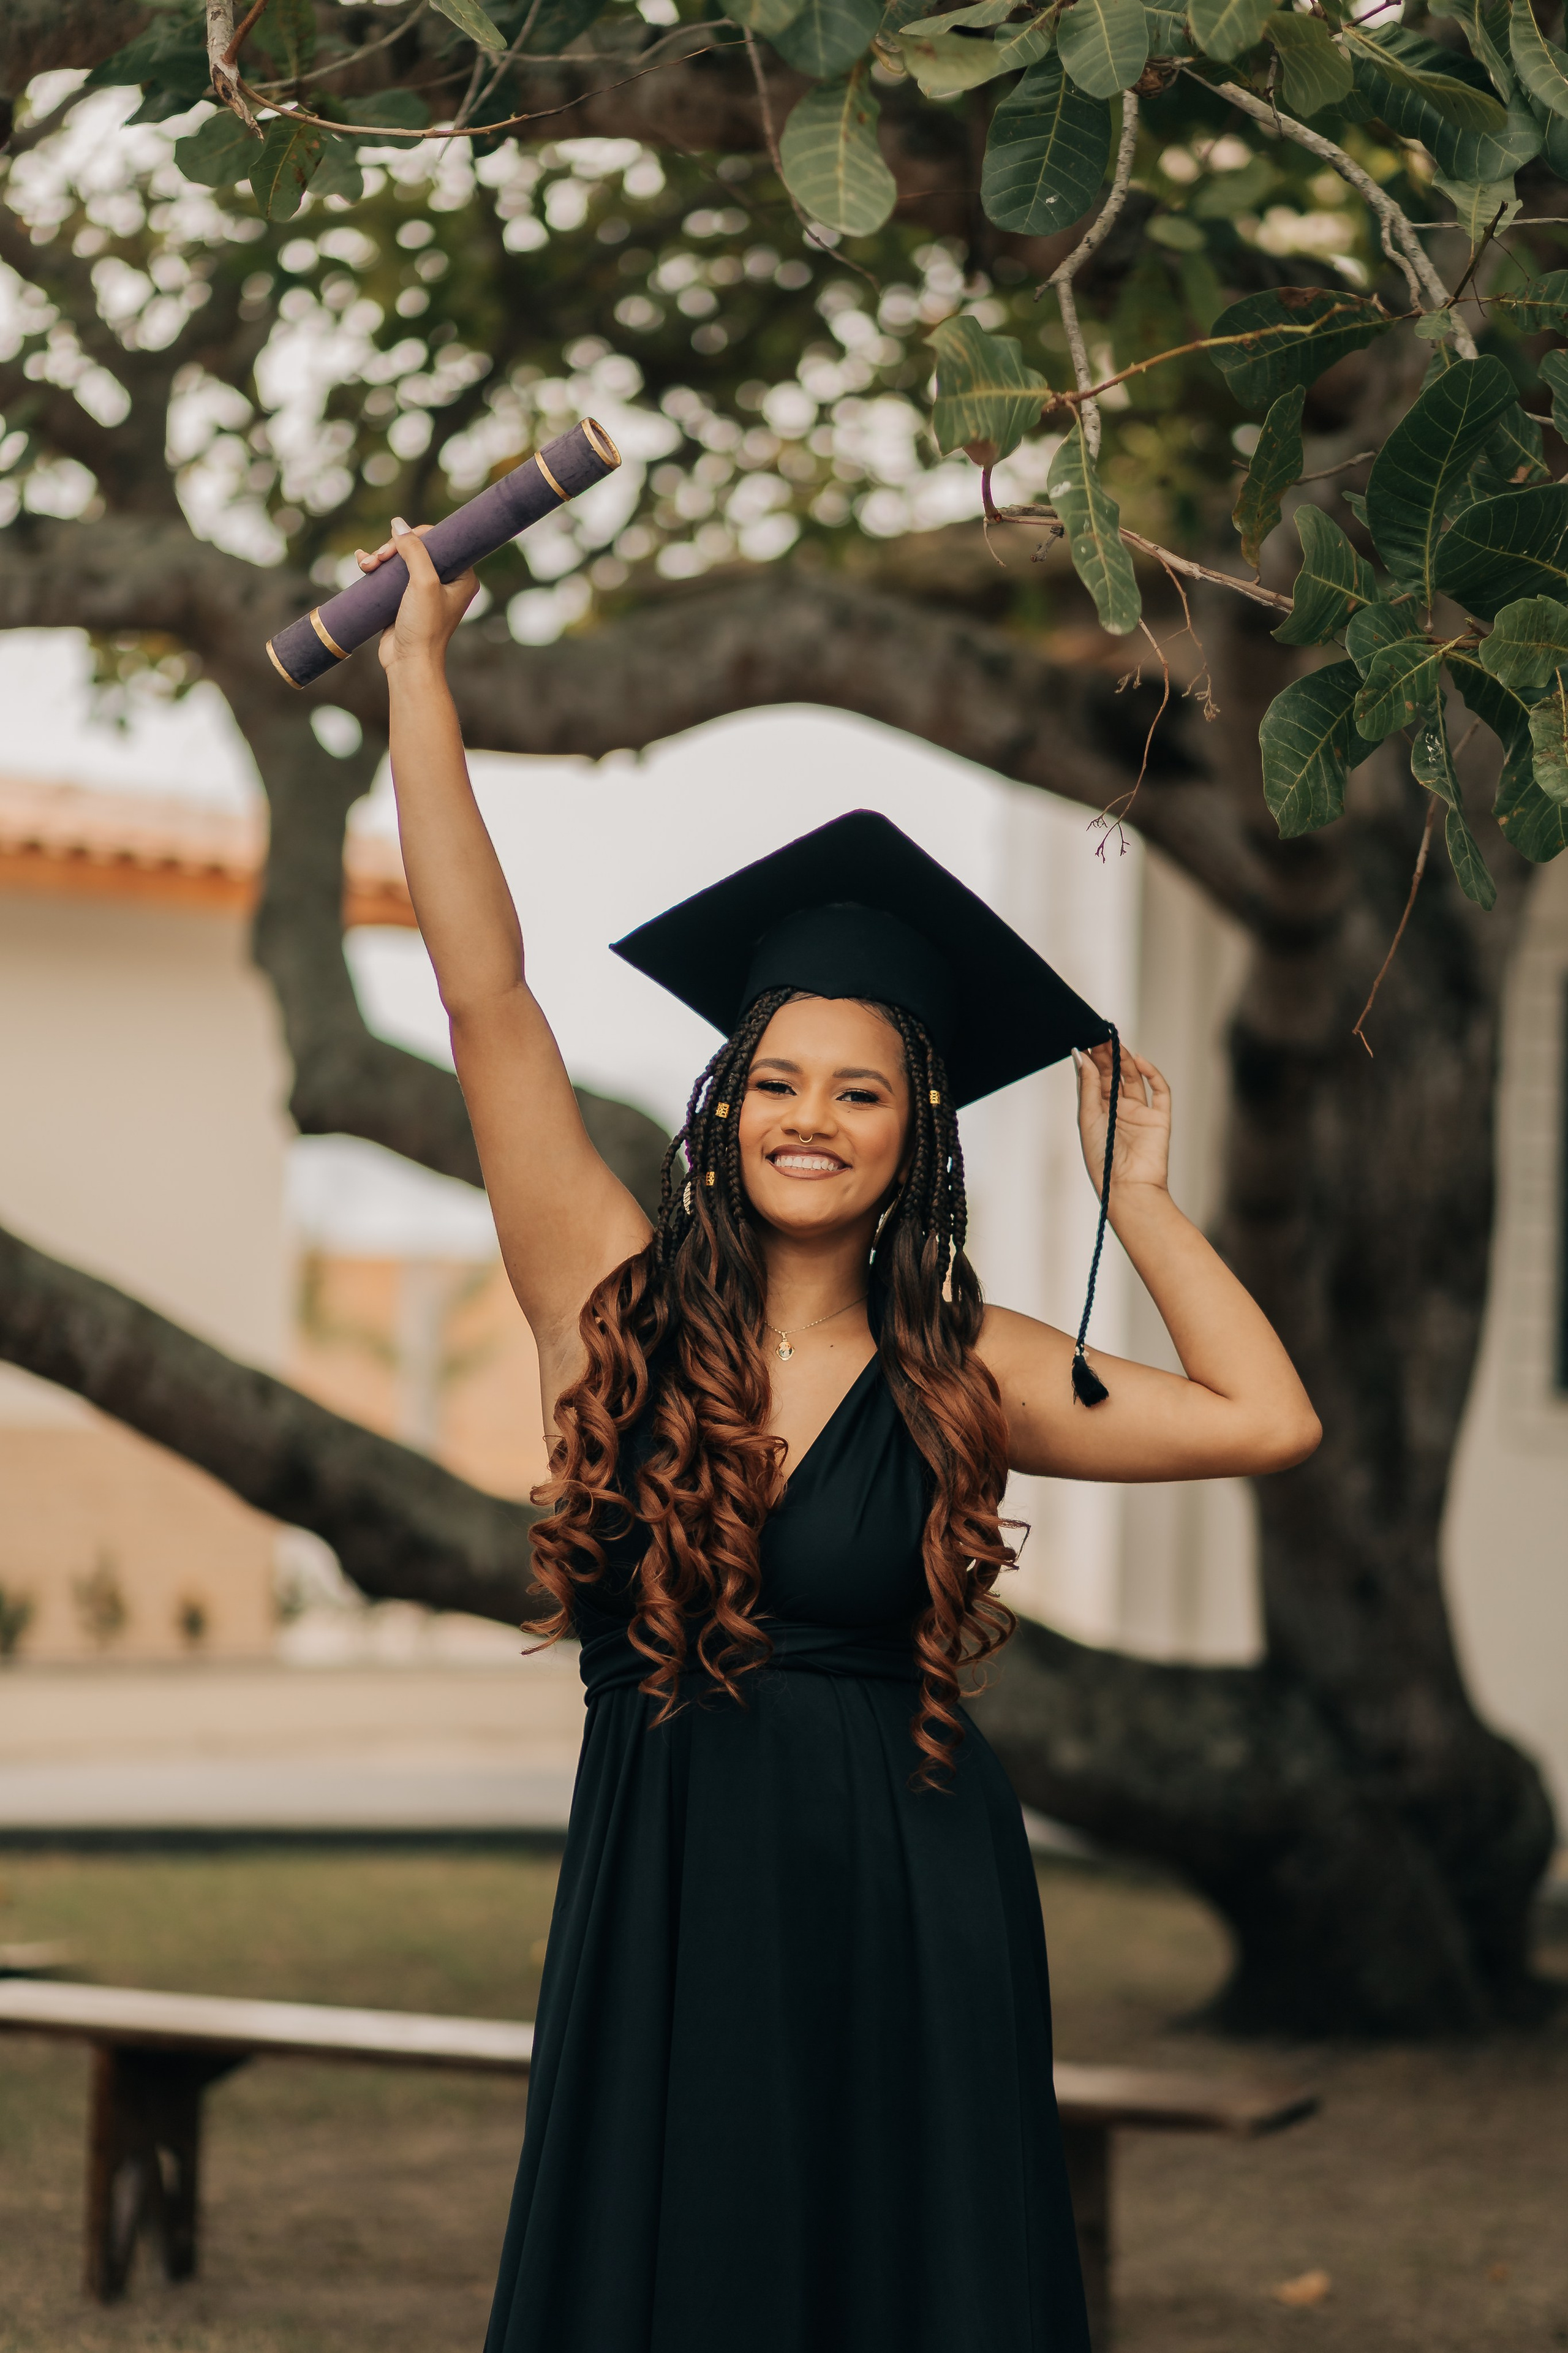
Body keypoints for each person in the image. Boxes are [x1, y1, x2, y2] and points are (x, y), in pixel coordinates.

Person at [358, 516, 1321, 2353]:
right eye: (778, 1080)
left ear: (912, 1137)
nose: (812, 1117)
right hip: (669, 1889)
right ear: (725, 1109)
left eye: (859, 1090)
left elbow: (1269, 1416)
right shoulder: (612, 1308)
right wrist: (422, 679)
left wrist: (1148, 1210)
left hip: (911, 1894)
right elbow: (489, 1000)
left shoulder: (973, 1365)